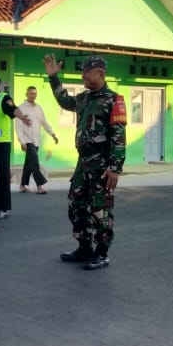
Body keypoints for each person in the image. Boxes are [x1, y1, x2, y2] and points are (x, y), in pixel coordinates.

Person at [43, 54, 126, 270]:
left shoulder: (114, 100)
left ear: (100, 73)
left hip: (102, 164)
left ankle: (102, 253)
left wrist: (115, 168)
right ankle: (84, 247)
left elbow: (118, 136)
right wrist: (54, 78)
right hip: (83, 163)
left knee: (100, 209)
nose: (83, 76)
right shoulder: (83, 98)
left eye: (87, 72)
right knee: (76, 205)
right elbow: (64, 101)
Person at [0, 73, 31, 220]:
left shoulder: (3, 98)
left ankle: (2, 207)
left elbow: (13, 109)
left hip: (2, 143)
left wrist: (22, 117)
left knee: (2, 175)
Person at [16, 85, 58, 194]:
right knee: (35, 163)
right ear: (26, 94)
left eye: (35, 94)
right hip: (27, 141)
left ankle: (22, 185)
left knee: (29, 164)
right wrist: (22, 142)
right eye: (31, 93)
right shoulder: (20, 108)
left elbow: (44, 122)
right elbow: (18, 127)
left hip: (36, 140)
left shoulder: (39, 108)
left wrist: (52, 134)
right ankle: (40, 186)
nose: (33, 96)